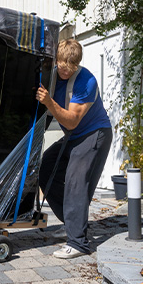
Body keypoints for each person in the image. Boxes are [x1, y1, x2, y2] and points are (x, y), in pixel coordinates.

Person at [36, 38, 112, 259]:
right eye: (62, 66)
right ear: (56, 60)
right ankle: (73, 225)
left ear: (77, 64)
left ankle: (78, 243)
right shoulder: (50, 74)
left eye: (72, 67)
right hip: (74, 136)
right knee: (46, 169)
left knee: (75, 182)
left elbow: (71, 121)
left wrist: (49, 102)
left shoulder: (86, 81)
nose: (66, 71)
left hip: (93, 133)